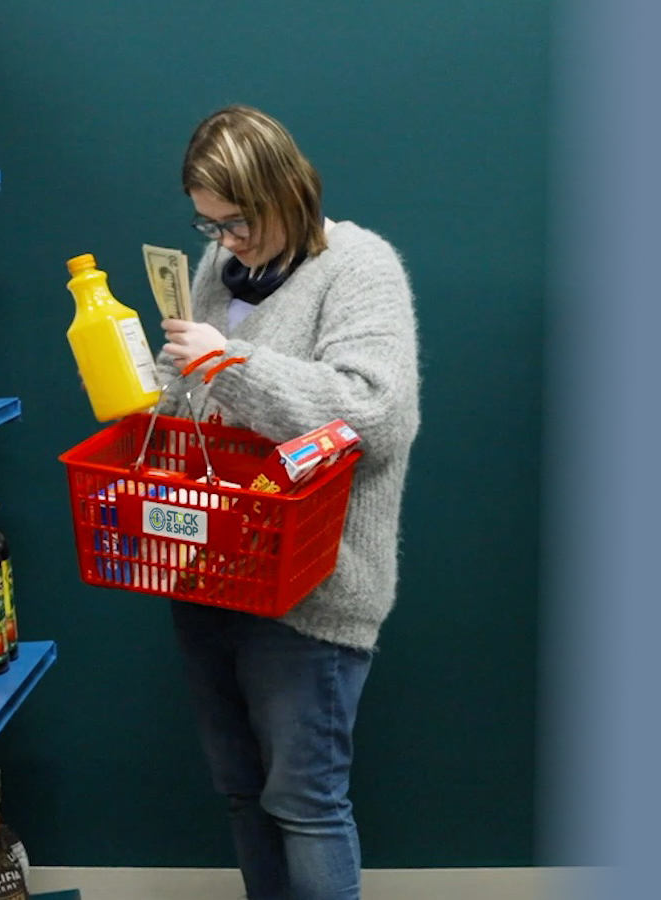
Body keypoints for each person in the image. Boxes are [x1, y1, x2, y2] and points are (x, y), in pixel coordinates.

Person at [156, 105, 420, 900]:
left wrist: (229, 364)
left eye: (236, 222)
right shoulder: (219, 272)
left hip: (312, 590)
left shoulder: (358, 267)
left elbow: (374, 413)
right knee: (242, 792)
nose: (224, 242)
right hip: (213, 572)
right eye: (209, 226)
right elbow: (202, 402)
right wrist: (158, 390)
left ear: (286, 194)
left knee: (304, 803)